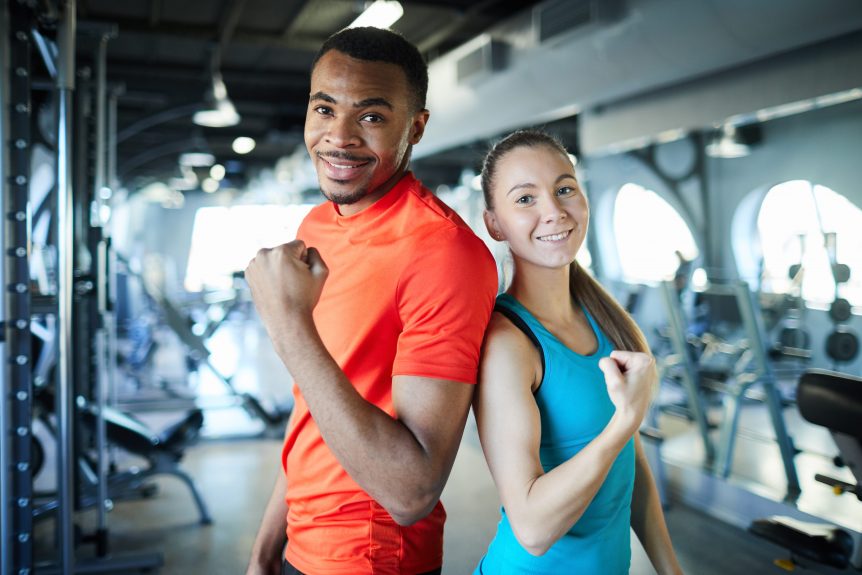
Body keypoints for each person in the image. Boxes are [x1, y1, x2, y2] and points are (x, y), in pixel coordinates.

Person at [244, 27, 498, 575]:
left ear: (417, 127)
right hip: (300, 545)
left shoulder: (444, 253)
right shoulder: (318, 224)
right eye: (324, 108)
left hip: (371, 558)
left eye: (371, 116)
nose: (339, 136)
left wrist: (288, 325)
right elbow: (313, 408)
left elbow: (411, 493)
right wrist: (266, 551)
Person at [473, 130, 683, 574]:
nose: (554, 211)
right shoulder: (508, 344)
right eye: (525, 199)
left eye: (564, 189)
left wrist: (671, 569)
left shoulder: (604, 319)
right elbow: (531, 529)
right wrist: (625, 419)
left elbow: (630, 462)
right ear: (494, 223)